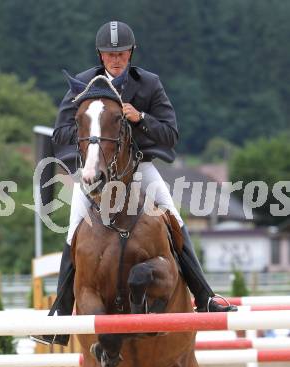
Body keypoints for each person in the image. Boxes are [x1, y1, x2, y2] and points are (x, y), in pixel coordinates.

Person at [32, 21, 237, 346]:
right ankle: (60, 314)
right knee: (73, 229)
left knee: (173, 216)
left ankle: (205, 295)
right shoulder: (83, 84)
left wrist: (140, 118)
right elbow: (60, 135)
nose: (116, 58)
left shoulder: (149, 84)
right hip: (95, 171)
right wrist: (94, 132)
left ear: (131, 52)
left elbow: (170, 133)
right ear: (100, 54)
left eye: (122, 52)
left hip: (138, 167)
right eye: (110, 53)